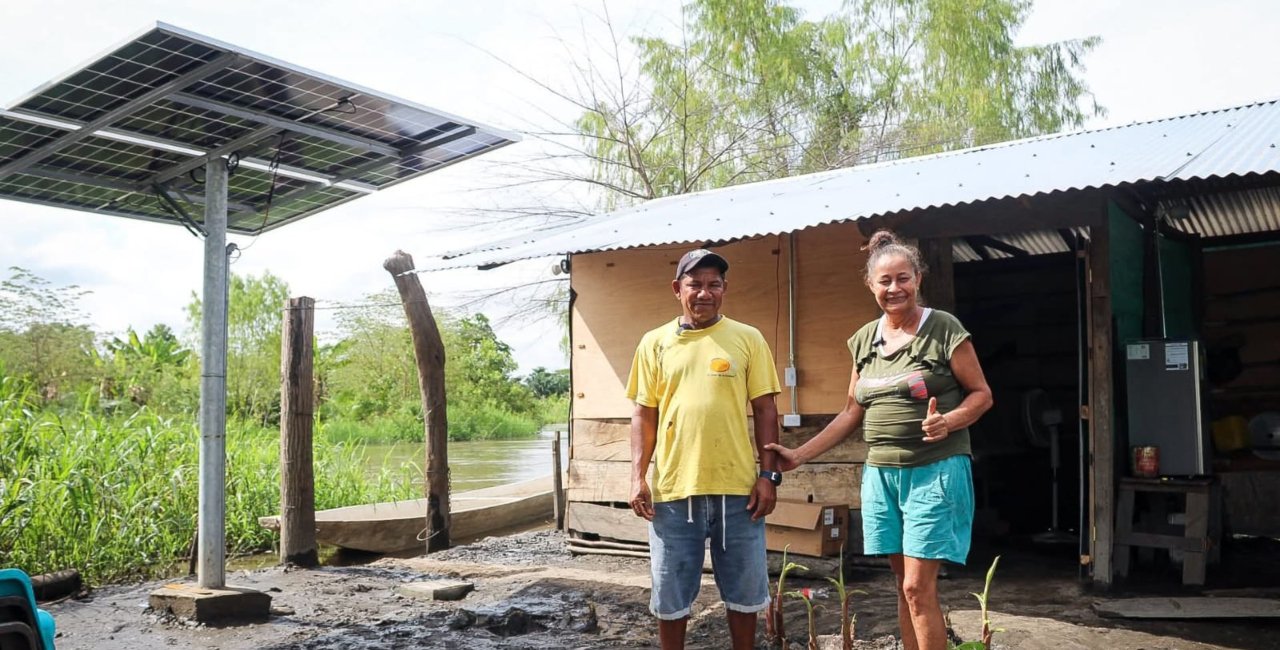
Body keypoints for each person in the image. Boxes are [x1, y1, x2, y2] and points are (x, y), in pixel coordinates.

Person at [766, 230, 993, 650]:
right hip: (881, 475)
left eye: (903, 278)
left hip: (934, 471)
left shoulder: (943, 328)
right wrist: (799, 455)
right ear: (870, 285)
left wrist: (949, 421)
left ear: (918, 278)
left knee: (917, 587)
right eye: (885, 281)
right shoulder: (864, 340)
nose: (895, 288)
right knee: (903, 586)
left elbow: (982, 394)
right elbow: (851, 412)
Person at [627, 248, 783, 650]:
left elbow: (766, 410)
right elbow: (644, 415)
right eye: (694, 284)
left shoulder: (747, 338)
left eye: (713, 284)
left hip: (739, 492)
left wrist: (768, 476)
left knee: (745, 593)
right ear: (677, 289)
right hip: (674, 492)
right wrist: (637, 477)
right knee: (670, 594)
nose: (704, 293)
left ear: (724, 289)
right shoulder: (654, 343)